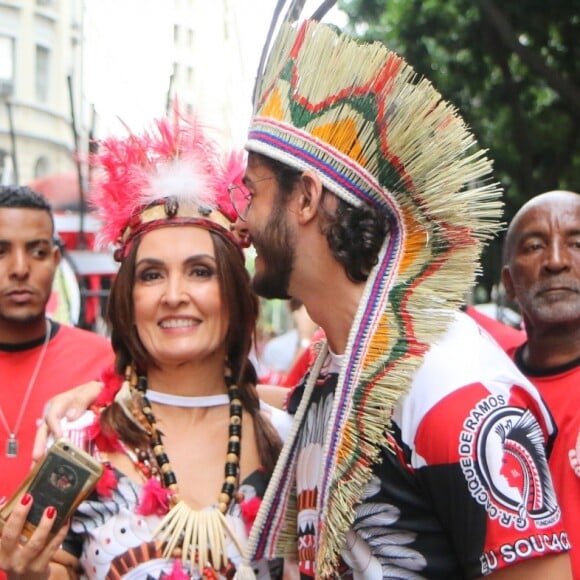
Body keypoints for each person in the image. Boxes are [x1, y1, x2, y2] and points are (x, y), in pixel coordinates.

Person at [40, 21, 572, 579]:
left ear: (307, 199)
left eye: (254, 191)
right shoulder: (331, 378)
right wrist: (102, 396)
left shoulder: (451, 384)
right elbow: (227, 398)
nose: (241, 221)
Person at [0, 116, 290, 579]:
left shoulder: (292, 440)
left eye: (200, 271)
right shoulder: (79, 439)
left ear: (234, 294)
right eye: (152, 274)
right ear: (129, 301)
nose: (174, 294)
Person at [0, 186, 113, 503]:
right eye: (1, 251)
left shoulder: (104, 362)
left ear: (55, 260)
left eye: (37, 252)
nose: (20, 269)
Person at [501, 190, 580, 575]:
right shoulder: (478, 387)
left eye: (576, 243)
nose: (555, 262)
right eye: (534, 246)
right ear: (508, 284)